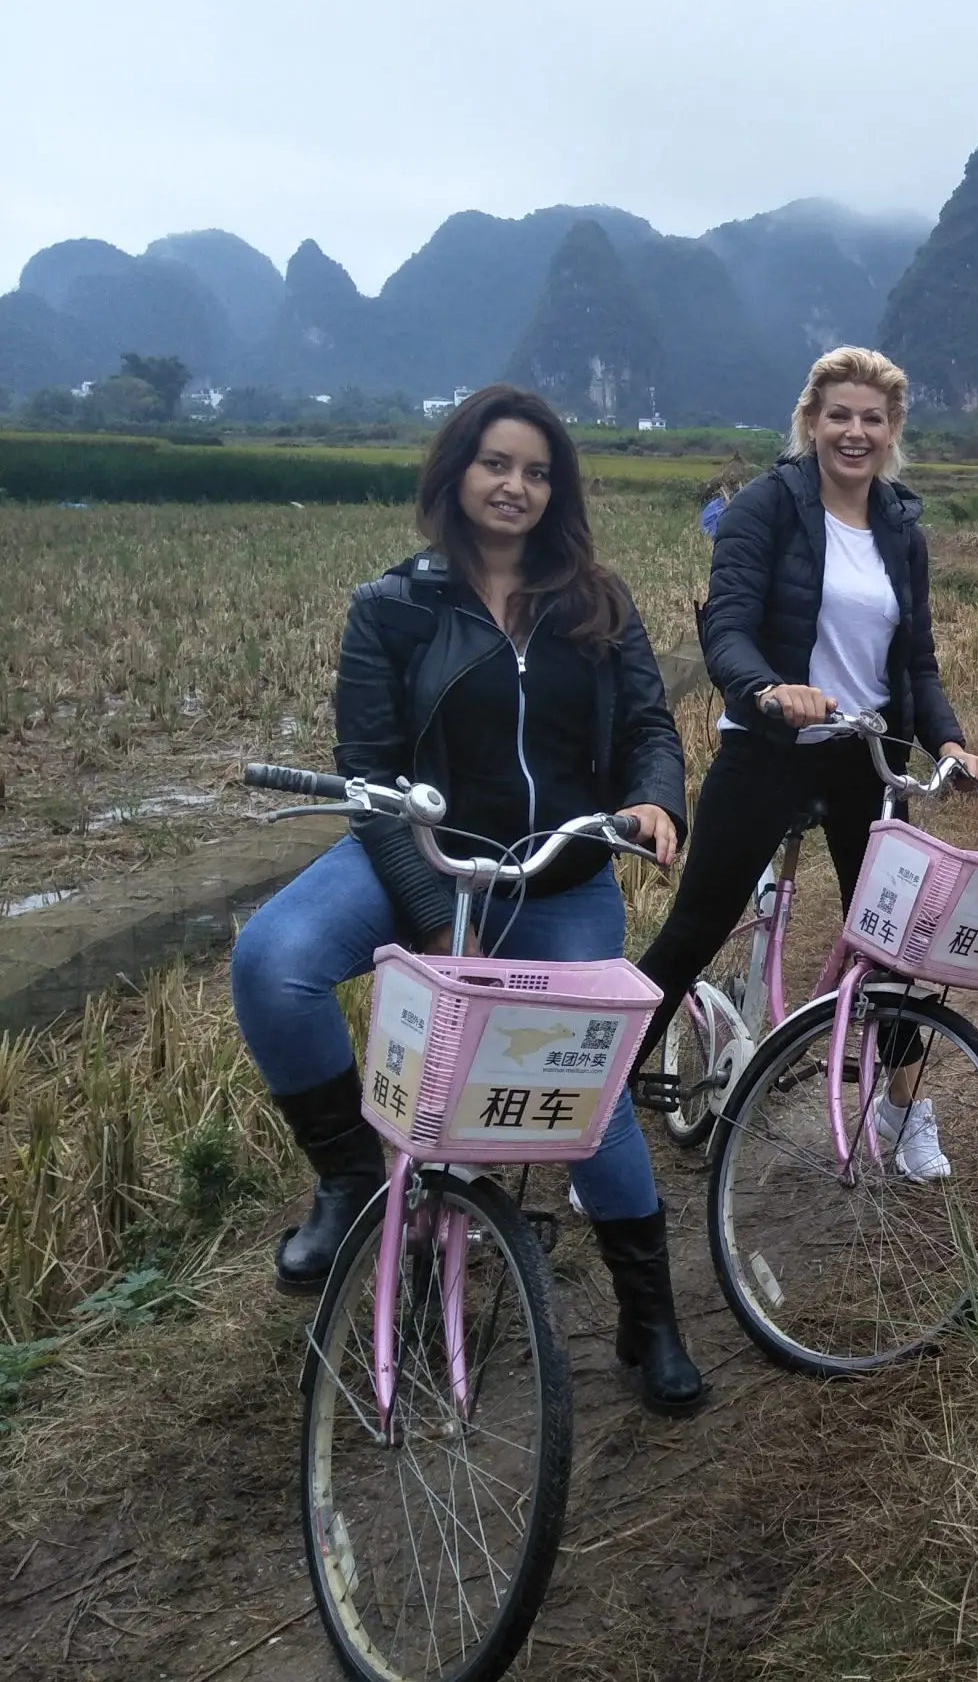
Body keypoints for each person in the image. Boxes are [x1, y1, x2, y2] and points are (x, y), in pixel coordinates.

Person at [230, 385, 705, 1415]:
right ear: (457, 473)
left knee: (587, 1093)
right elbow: (368, 779)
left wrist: (654, 800)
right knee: (274, 959)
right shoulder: (393, 607)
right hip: (419, 857)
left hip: (557, 876)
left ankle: (650, 1315)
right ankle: (352, 1179)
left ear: (557, 490)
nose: (515, 486)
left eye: (537, 471)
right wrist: (436, 917)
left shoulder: (598, 602)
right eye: (497, 464)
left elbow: (648, 727)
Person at [637, 347, 978, 1177]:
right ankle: (597, 1116)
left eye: (872, 419)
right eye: (839, 416)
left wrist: (949, 740)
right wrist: (769, 689)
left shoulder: (900, 527)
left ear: (892, 430)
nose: (854, 432)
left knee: (894, 944)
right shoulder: (765, 507)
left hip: (869, 755)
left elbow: (917, 661)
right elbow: (727, 629)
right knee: (695, 926)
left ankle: (904, 1111)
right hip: (770, 747)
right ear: (811, 422)